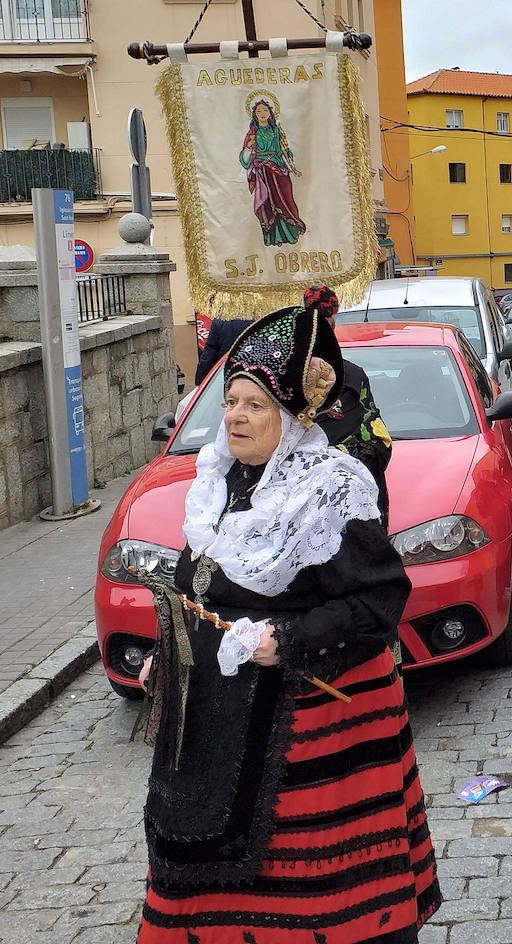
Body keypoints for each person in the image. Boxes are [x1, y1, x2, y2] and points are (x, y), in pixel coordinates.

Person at [136, 304, 441, 942]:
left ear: (290, 416)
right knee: (198, 866)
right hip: (215, 724)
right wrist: (172, 653)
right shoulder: (217, 483)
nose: (236, 417)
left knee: (306, 899)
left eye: (254, 405)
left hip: (305, 727)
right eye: (229, 402)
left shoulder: (329, 489)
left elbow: (380, 599)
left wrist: (288, 640)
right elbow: (201, 588)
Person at [307, 285, 394, 525]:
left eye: (326, 328)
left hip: (349, 517)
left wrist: (332, 461)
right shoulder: (274, 386)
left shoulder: (352, 379)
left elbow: (378, 445)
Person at [240, 97, 306, 246]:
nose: (262, 113)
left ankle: (289, 234)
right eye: (258, 111)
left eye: (265, 110)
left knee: (285, 201)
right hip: (263, 172)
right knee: (267, 205)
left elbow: (284, 150)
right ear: (255, 115)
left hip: (279, 171)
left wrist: (290, 164)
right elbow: (245, 159)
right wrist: (249, 148)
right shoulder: (252, 133)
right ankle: (273, 238)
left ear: (270, 112)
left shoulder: (276, 130)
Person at [194, 316, 252, 385]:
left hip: (228, 374)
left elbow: (209, 355)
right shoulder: (261, 320)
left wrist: (200, 381)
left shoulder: (220, 321)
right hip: (255, 374)